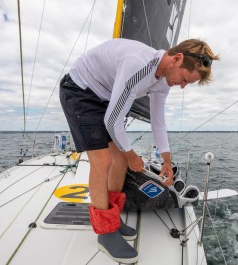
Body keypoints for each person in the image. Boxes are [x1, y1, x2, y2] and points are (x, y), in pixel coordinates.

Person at [59, 38, 218, 263]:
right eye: (184, 79)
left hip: (103, 97)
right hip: (79, 90)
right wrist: (131, 154)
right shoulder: (139, 65)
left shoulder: (164, 80)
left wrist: (166, 159)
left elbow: (158, 122)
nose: (182, 86)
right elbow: (113, 119)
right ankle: (105, 233)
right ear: (177, 58)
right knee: (103, 160)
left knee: (120, 161)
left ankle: (112, 215)